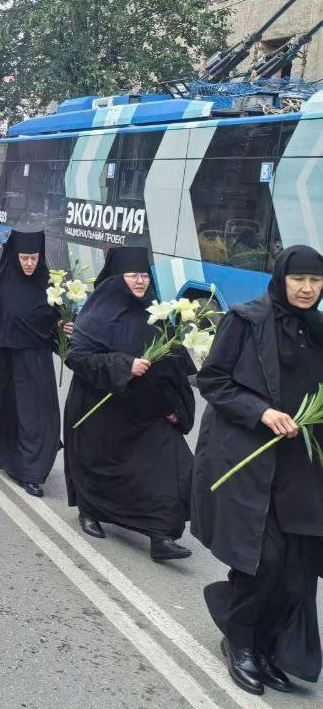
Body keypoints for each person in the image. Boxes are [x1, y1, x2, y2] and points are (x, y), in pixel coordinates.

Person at [191, 246, 323, 694]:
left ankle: (265, 645)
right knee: (263, 560)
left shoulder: (319, 329)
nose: (307, 289)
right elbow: (212, 380)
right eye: (298, 279)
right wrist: (261, 412)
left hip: (303, 467)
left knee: (295, 569)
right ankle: (240, 640)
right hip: (251, 459)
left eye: (316, 281)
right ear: (281, 278)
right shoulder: (246, 320)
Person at [63, 246, 196, 562]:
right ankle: (90, 510)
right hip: (102, 412)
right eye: (133, 275)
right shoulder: (97, 314)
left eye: (145, 275)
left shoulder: (157, 313)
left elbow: (174, 365)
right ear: (116, 278)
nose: (140, 281)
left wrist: (177, 407)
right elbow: (77, 357)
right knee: (100, 468)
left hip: (148, 415)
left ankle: (162, 535)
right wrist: (124, 365)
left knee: (174, 468)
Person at [0, 229, 66, 498]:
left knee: (36, 417)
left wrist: (63, 326)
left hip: (37, 364)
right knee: (0, 409)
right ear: (14, 257)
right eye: (24, 258)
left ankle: (32, 473)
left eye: (34, 258)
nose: (29, 264)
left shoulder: (49, 288)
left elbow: (55, 326)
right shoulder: (2, 288)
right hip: (5, 364)